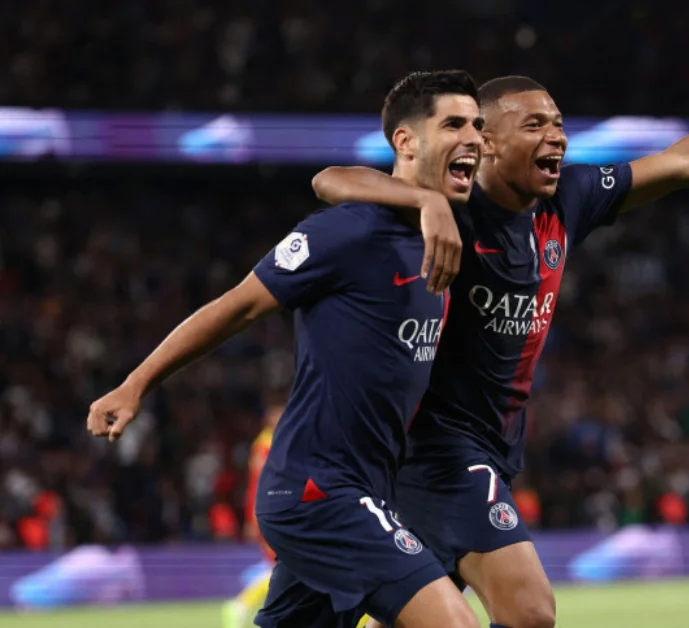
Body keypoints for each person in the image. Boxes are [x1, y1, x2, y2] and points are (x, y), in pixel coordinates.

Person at [312, 27, 689, 628]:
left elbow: (686, 161)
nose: (558, 137)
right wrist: (425, 204)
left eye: (560, 124)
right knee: (531, 611)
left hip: (490, 446)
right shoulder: (453, 202)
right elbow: (333, 180)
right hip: (433, 448)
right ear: (485, 143)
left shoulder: (568, 198)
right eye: (536, 125)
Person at [86, 70, 485, 628]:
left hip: (367, 488)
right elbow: (240, 303)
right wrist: (137, 383)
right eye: (455, 124)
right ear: (406, 142)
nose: (475, 137)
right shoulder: (348, 233)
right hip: (319, 492)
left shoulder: (450, 230)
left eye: (478, 125)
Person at [223, 400, 284, 628]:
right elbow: (259, 484)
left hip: (269, 509)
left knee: (280, 565)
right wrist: (254, 516)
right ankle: (240, 604)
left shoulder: (267, 443)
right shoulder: (267, 445)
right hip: (269, 510)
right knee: (280, 564)